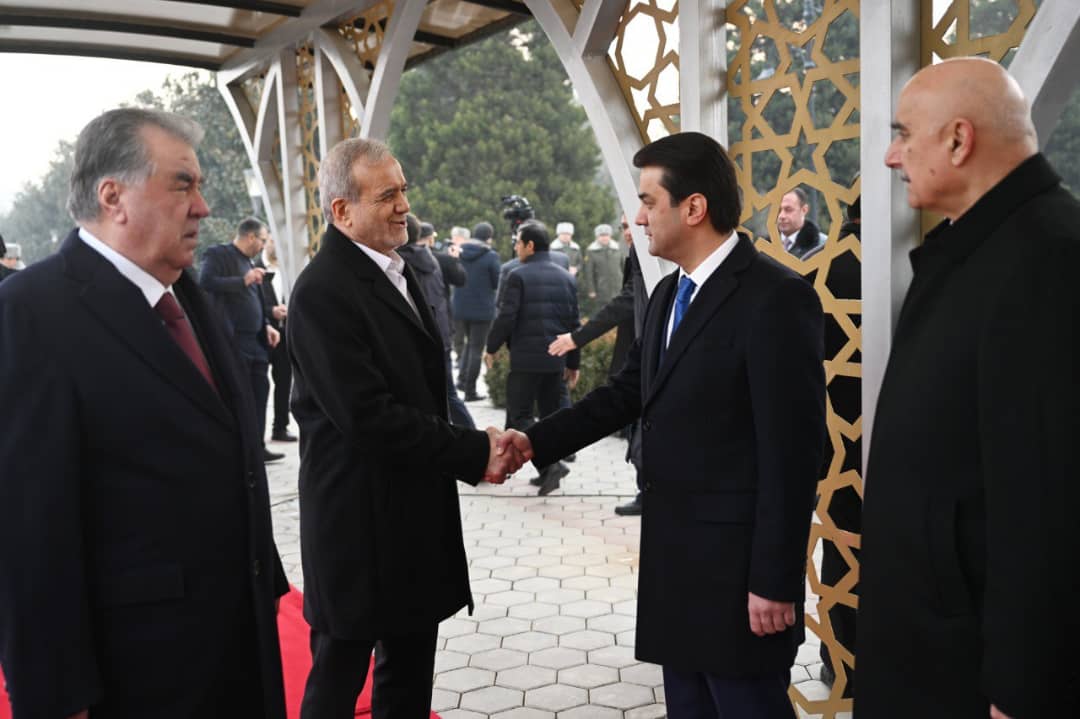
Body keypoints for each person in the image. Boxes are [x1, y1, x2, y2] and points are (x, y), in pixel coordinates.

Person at [499, 131, 826, 718]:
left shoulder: (776, 298)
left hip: (739, 581)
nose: (639, 218)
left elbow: (795, 452)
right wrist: (533, 441)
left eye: (649, 202)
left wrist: (775, 579)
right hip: (675, 567)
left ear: (693, 207)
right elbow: (626, 393)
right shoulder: (669, 291)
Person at [0, 107, 288, 718]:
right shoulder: (30, 311)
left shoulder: (185, 292)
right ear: (114, 197)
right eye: (183, 184)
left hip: (239, 646)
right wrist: (56, 698)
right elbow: (27, 529)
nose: (203, 206)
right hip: (139, 673)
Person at [857, 57, 1080, 719]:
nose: (892, 157)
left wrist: (1022, 686)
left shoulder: (1049, 257)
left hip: (970, 668)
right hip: (930, 641)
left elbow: (1048, 501)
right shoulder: (979, 247)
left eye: (904, 134)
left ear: (959, 140)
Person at [286, 137, 528, 718]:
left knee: (409, 676)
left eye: (403, 190)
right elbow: (367, 417)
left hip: (410, 512)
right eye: (387, 195)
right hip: (358, 523)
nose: (404, 206)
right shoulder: (322, 290)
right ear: (342, 210)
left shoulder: (396, 268)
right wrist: (475, 451)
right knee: (339, 677)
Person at [548, 215, 651, 515]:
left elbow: (626, 300)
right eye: (624, 226)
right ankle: (645, 490)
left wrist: (578, 337)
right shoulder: (636, 253)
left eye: (631, 225)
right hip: (637, 348)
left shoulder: (651, 255)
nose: (628, 231)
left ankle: (649, 492)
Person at [485, 220, 581, 496]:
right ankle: (548, 470)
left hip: (526, 360)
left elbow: (506, 317)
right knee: (549, 418)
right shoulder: (567, 277)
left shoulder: (518, 275)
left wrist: (491, 347)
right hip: (555, 359)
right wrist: (573, 363)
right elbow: (574, 324)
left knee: (519, 417)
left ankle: (551, 466)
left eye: (518, 243)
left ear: (530, 245)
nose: (515, 248)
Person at [200, 217, 284, 463]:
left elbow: (254, 301)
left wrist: (266, 324)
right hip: (233, 341)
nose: (263, 245)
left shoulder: (248, 262)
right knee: (240, 397)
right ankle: (240, 450)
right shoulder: (218, 255)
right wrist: (242, 280)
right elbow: (206, 282)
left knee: (260, 393)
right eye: (262, 240)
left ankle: (257, 447)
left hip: (256, 342)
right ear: (250, 236)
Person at [399, 213, 474, 428]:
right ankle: (471, 435)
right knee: (448, 392)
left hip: (416, 336)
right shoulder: (433, 258)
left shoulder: (399, 262)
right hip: (441, 330)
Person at [451, 221, 500, 401]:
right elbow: (497, 282)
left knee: (468, 345)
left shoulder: (459, 252)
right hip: (482, 308)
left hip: (460, 305)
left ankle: (462, 380)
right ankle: (470, 391)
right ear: (489, 238)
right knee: (476, 349)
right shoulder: (491, 256)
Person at [260, 232, 296, 442]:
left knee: (284, 382)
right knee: (260, 385)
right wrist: (271, 311)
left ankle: (280, 427)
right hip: (261, 333)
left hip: (285, 334)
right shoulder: (254, 267)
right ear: (266, 243)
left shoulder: (289, 270)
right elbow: (250, 302)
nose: (276, 245)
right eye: (273, 241)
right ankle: (256, 434)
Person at [580, 223, 625, 316]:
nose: (604, 238)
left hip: (618, 287)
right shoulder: (591, 251)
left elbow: (623, 267)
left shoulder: (617, 249)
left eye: (606, 235)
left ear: (610, 236)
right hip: (601, 289)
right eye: (601, 235)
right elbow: (589, 273)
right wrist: (591, 290)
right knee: (604, 314)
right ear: (597, 237)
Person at [776, 187, 826, 260]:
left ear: (804, 210)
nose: (781, 216)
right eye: (778, 210)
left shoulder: (823, 245)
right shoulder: (763, 248)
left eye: (788, 210)